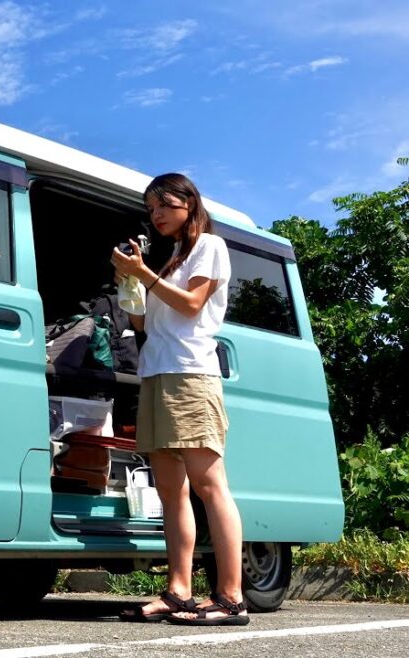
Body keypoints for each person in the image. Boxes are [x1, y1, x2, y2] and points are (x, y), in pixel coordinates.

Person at [111, 173, 248, 626]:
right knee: (171, 492)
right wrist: (128, 281)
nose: (156, 215)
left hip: (191, 375)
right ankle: (179, 591)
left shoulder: (210, 246)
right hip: (156, 373)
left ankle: (231, 598)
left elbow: (192, 305)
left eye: (163, 205)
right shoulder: (170, 261)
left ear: (188, 202)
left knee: (210, 486)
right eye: (150, 209)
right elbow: (142, 324)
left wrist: (143, 274)